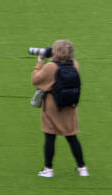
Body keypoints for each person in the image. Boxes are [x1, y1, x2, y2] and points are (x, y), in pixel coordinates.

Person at [32, 39, 87, 177]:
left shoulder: (51, 67)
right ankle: (82, 168)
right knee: (72, 137)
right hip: (69, 106)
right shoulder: (74, 65)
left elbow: (35, 80)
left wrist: (40, 62)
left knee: (50, 136)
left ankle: (48, 169)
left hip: (52, 105)